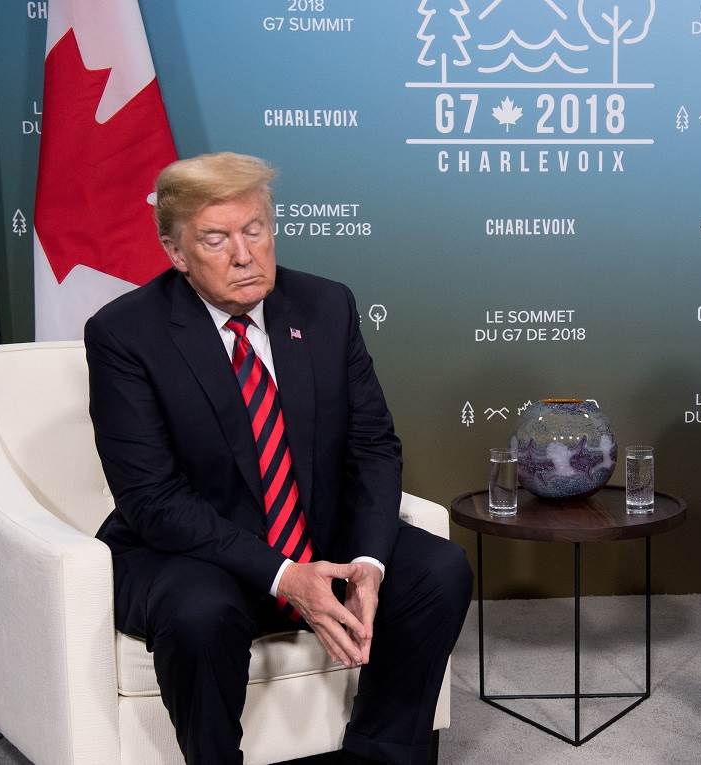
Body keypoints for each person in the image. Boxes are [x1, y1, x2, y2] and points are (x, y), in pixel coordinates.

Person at [86, 152, 471, 765]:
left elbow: (373, 447)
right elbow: (151, 500)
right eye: (216, 239)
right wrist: (284, 574)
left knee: (437, 570)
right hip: (190, 549)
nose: (244, 255)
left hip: (312, 531)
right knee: (199, 611)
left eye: (255, 230)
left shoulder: (326, 306)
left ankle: (380, 754)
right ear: (176, 253)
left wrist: (369, 562)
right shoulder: (125, 334)